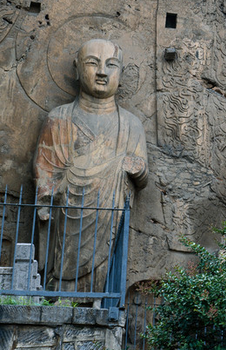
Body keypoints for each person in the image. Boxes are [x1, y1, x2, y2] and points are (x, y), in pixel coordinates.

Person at [33, 39, 148, 291]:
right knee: (59, 276)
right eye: (93, 63)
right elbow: (45, 170)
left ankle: (99, 297)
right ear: (77, 69)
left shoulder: (131, 124)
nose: (102, 72)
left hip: (108, 215)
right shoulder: (59, 118)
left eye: (111, 65)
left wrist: (136, 169)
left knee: (103, 278)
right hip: (67, 214)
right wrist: (46, 196)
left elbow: (142, 173)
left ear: (121, 73)